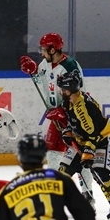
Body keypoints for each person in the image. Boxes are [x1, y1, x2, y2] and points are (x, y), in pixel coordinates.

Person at [20, 32, 95, 210]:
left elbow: (80, 93)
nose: (41, 53)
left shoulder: (70, 66)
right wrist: (33, 73)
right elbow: (43, 85)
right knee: (53, 153)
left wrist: (65, 110)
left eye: (44, 49)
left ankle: (87, 195)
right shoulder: (44, 64)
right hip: (56, 116)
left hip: (73, 117)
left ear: (53, 49)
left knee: (80, 156)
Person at [52, 70, 110, 220]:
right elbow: (73, 124)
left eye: (61, 89)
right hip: (83, 140)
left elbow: (93, 134)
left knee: (99, 173)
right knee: (63, 172)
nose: (59, 92)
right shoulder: (68, 102)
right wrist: (67, 132)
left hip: (102, 139)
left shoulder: (83, 108)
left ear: (68, 90)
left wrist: (88, 152)